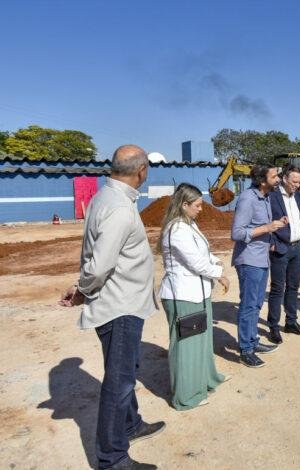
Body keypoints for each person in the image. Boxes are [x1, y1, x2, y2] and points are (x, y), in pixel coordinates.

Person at [59, 145, 164, 470]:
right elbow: (100, 264)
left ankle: (131, 425)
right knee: (119, 382)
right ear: (141, 170)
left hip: (124, 302)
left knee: (126, 373)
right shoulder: (119, 208)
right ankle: (112, 459)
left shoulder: (106, 198)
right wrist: (81, 289)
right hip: (120, 308)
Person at [158, 183, 231, 410]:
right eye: (197, 205)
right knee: (186, 345)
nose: (201, 208)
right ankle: (186, 396)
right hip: (183, 295)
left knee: (201, 340)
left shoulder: (189, 224)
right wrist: (220, 274)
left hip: (197, 293)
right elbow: (195, 262)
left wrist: (215, 260)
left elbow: (203, 253)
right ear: (184, 204)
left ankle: (206, 380)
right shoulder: (177, 229)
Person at [231, 164, 288, 368]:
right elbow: (237, 233)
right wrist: (267, 227)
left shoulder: (265, 197)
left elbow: (258, 229)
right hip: (248, 261)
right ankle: (246, 349)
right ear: (262, 181)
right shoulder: (248, 198)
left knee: (256, 304)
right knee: (248, 305)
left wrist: (273, 230)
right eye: (275, 176)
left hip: (261, 258)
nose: (279, 179)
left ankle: (253, 341)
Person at [267, 165, 300, 344]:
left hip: (296, 249)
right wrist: (271, 242)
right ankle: (274, 327)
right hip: (280, 248)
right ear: (284, 179)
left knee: (293, 287)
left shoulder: (298, 196)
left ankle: (291, 322)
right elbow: (265, 219)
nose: (297, 185)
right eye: (294, 181)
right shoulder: (272, 196)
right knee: (278, 289)